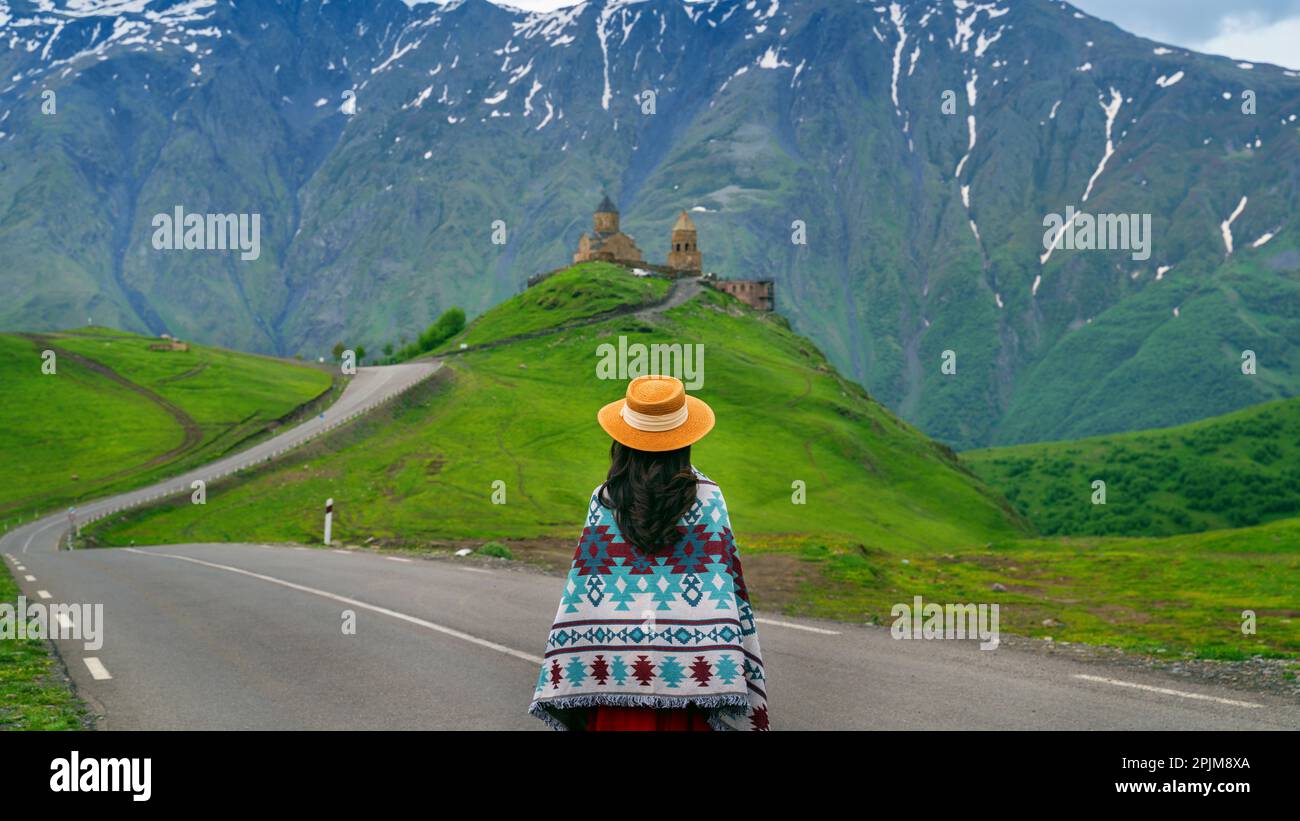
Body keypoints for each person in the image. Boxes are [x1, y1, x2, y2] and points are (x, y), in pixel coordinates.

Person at [528, 375, 769, 731]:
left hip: (611, 682)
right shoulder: (710, 499)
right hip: (692, 686)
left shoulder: (605, 501)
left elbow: (583, 596)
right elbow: (729, 593)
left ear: (622, 439)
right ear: (685, 438)